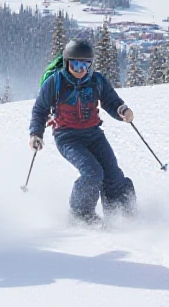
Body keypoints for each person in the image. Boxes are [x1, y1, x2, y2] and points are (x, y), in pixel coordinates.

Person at [29, 38, 136, 225]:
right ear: (67, 63)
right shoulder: (55, 83)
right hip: (67, 137)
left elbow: (111, 101)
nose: (81, 70)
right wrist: (36, 134)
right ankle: (80, 214)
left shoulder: (96, 81)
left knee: (113, 173)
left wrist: (123, 111)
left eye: (85, 65)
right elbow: (40, 110)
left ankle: (120, 213)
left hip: (94, 134)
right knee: (92, 173)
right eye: (76, 65)